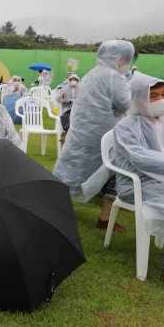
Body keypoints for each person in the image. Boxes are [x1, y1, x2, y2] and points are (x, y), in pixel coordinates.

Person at [112, 73, 164, 299]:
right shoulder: (126, 127)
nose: (161, 100)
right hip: (139, 184)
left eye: (163, 94)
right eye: (153, 96)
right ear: (139, 99)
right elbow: (142, 159)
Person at [53, 40, 135, 231]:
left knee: (71, 168)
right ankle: (105, 219)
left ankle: (54, 206)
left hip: (82, 131)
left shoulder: (92, 73)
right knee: (111, 170)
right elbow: (124, 104)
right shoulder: (114, 77)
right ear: (121, 58)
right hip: (102, 133)